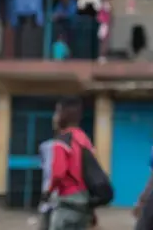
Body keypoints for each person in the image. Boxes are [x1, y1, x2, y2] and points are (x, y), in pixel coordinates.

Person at [48, 97, 94, 230]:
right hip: (84, 199)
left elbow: (58, 173)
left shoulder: (62, 140)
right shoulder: (84, 138)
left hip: (67, 200)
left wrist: (48, 191)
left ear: (63, 115)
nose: (54, 117)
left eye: (56, 113)